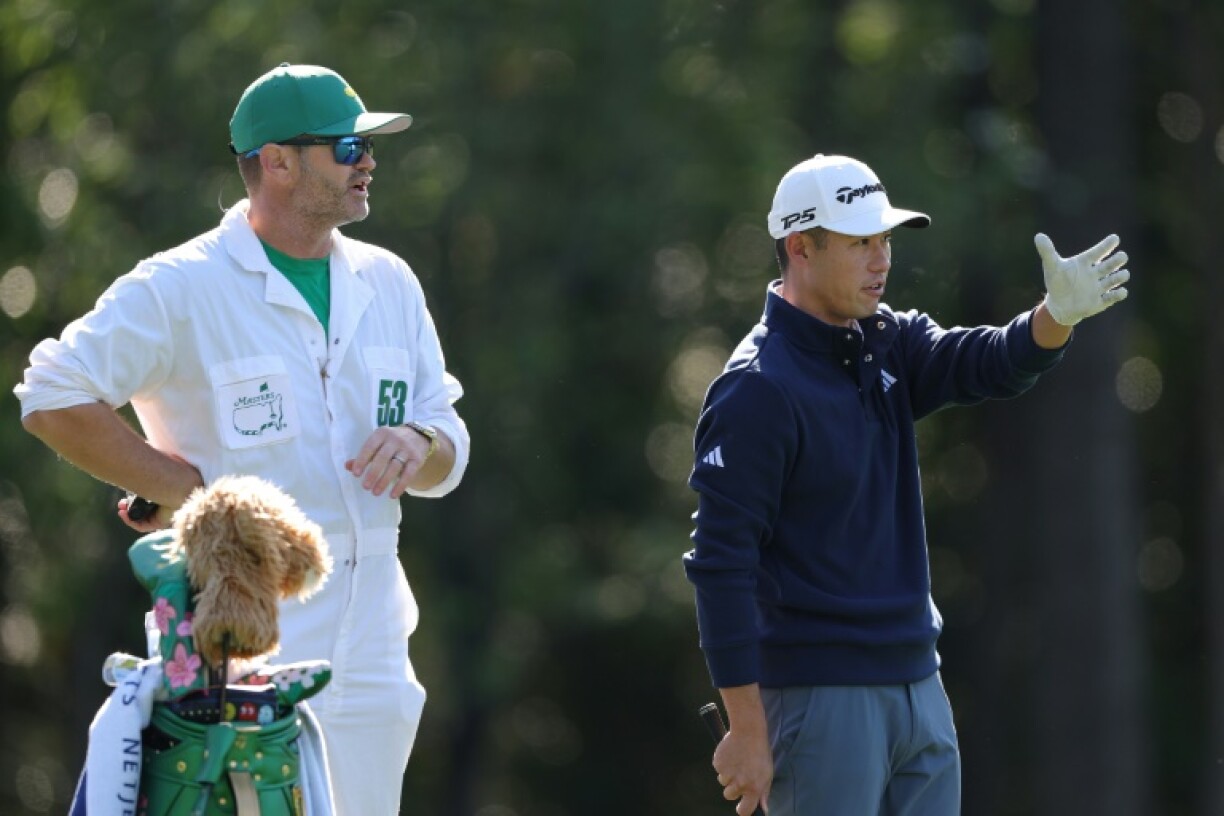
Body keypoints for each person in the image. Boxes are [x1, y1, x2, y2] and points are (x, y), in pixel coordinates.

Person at [15, 63, 470, 815]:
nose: (369, 163)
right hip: (239, 650)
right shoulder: (179, 286)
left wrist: (422, 444)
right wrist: (188, 493)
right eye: (350, 147)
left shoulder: (391, 281)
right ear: (279, 162)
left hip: (377, 653)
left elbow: (448, 433)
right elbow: (50, 393)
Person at [682, 153, 1129, 816]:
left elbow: (987, 362)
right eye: (860, 242)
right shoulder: (756, 389)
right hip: (819, 698)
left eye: (884, 240)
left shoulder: (886, 340)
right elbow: (720, 566)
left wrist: (1054, 316)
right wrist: (747, 727)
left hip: (919, 684)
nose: (881, 259)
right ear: (801, 247)